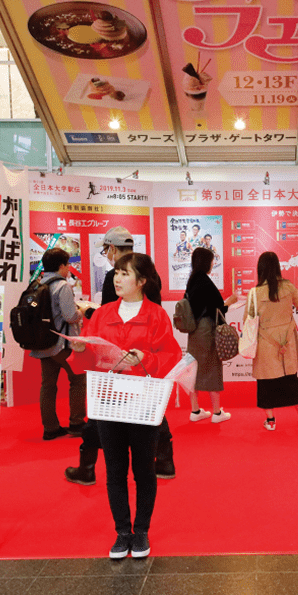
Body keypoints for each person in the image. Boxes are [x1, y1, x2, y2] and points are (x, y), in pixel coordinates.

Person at [73, 253, 182, 559]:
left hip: (143, 402)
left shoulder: (157, 315)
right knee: (115, 470)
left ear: (142, 281)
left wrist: (145, 358)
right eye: (116, 273)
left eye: (124, 274)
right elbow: (87, 360)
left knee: (144, 469)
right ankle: (122, 532)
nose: (117, 279)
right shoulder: (102, 313)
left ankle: (142, 530)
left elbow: (171, 358)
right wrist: (79, 347)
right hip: (108, 401)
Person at [66, 226, 178, 483]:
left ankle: (88, 466)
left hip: (122, 368)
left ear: (112, 249)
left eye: (106, 250)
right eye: (117, 274)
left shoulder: (117, 283)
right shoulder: (149, 271)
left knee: (101, 419)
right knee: (151, 414)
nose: (118, 278)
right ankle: (164, 460)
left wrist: (91, 317)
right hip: (139, 366)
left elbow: (108, 316)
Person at [246, 251, 298, 431]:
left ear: (260, 269)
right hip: (287, 342)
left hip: (266, 345)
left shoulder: (254, 293)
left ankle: (271, 421)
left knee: (265, 382)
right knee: (291, 380)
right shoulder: (288, 287)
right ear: (277, 267)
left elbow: (248, 321)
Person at [30, 247, 87, 441]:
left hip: (43, 341)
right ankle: (77, 422)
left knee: (48, 385)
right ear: (62, 266)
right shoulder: (62, 286)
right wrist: (83, 310)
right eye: (68, 264)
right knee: (78, 380)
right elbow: (70, 316)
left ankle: (51, 428)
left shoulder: (37, 284)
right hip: (62, 343)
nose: (69, 267)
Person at [184, 247, 237, 423]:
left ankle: (195, 410)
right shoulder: (205, 282)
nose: (213, 264)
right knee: (212, 368)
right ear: (206, 262)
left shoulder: (191, 281)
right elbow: (218, 309)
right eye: (212, 260)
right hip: (207, 330)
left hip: (194, 333)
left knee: (194, 370)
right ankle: (216, 413)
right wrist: (229, 302)